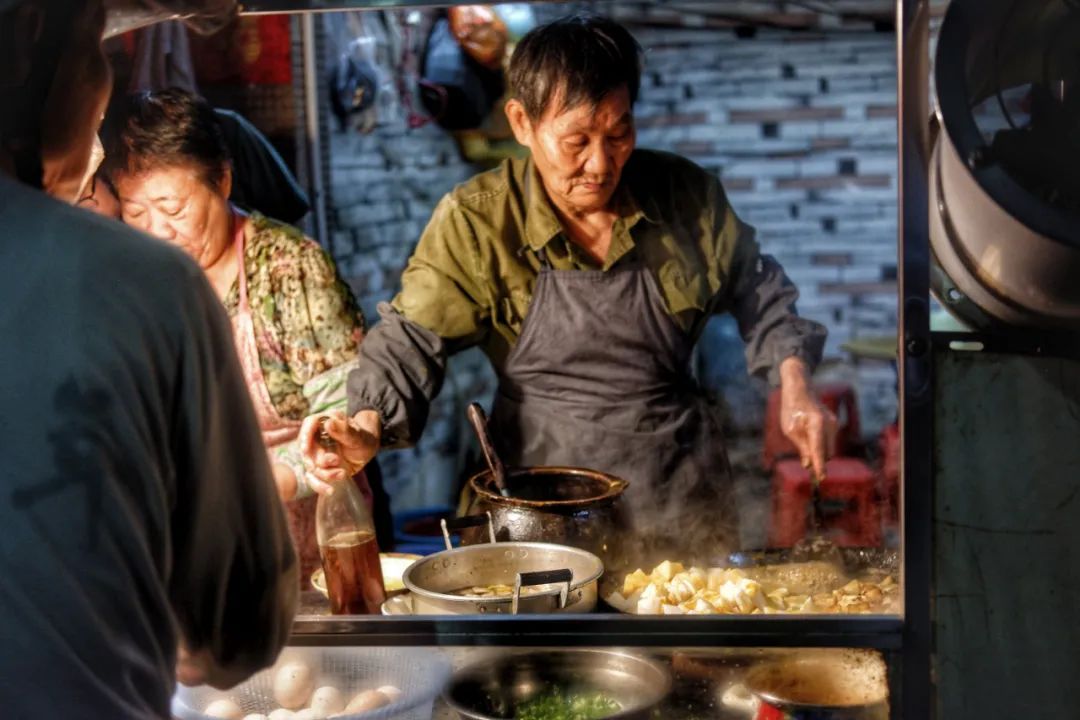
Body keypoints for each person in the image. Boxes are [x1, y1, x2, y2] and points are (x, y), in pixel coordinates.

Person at [301, 15, 837, 556]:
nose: (601, 164)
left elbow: (761, 292)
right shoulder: (479, 222)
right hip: (534, 516)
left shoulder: (686, 198)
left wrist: (795, 383)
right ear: (521, 123)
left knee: (687, 637)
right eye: (576, 140)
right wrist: (365, 423)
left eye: (619, 133)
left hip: (675, 499)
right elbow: (408, 341)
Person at [0, 1, 297, 717]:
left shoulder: (275, 257)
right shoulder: (143, 284)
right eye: (98, 54)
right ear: (38, 41)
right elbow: (232, 631)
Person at [103, 87, 393, 586]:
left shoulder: (290, 267)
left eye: (173, 208)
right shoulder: (131, 281)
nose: (157, 232)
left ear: (223, 180)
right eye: (135, 213)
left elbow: (338, 425)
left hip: (308, 545)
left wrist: (238, 486)